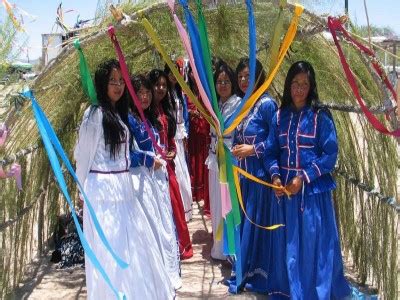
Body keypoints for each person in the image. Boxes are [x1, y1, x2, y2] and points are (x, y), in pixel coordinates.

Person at [74, 59, 174, 299]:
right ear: (102, 84)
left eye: (121, 81)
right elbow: (83, 157)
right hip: (103, 193)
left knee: (132, 248)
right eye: (112, 81)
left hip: (124, 189)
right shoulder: (94, 115)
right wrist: (81, 191)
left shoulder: (118, 114)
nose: (118, 86)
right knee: (111, 249)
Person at [265, 61, 351, 299]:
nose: (299, 89)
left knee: (314, 246)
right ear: (288, 85)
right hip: (285, 195)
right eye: (295, 83)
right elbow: (271, 151)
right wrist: (275, 177)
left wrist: (303, 177)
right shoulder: (279, 116)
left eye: (304, 84)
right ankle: (290, 290)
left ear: (311, 86)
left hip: (312, 195)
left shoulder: (320, 117)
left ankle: (314, 293)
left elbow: (330, 155)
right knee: (289, 245)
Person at [128, 74, 181, 289]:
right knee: (148, 229)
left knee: (162, 225)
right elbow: (124, 155)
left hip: (156, 180)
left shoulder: (148, 118)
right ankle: (152, 278)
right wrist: (148, 160)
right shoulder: (128, 120)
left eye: (147, 93)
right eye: (139, 93)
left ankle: (165, 272)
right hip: (140, 182)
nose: (144, 97)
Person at [229, 57, 278, 293]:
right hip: (244, 176)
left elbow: (276, 139)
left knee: (258, 223)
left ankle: (259, 273)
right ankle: (246, 268)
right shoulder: (245, 104)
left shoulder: (267, 104)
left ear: (259, 76)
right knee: (247, 223)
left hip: (260, 176)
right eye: (240, 76)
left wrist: (252, 149)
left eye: (248, 75)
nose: (243, 80)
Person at [149, 69, 193, 260]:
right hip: (152, 170)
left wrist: (173, 150)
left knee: (174, 204)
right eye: (157, 85)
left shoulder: (165, 110)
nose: (160, 88)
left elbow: (170, 139)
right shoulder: (145, 112)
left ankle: (179, 246)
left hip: (168, 168)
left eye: (163, 86)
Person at [206, 63, 241, 260]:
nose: (223, 85)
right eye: (219, 81)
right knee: (217, 203)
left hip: (229, 161)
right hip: (214, 160)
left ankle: (231, 251)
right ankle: (219, 248)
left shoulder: (238, 103)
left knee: (229, 204)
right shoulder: (215, 103)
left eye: (227, 81)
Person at [164, 62, 193, 222]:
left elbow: (185, 116)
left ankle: (185, 207)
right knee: (177, 173)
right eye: (171, 73)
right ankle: (179, 208)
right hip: (171, 137)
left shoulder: (179, 93)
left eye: (177, 73)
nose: (174, 77)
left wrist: (185, 134)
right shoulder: (164, 94)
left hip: (180, 137)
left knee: (183, 171)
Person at [186, 65, 211, 214]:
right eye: (191, 72)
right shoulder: (186, 92)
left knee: (203, 160)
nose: (193, 75)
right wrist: (190, 113)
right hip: (191, 132)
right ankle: (194, 193)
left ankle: (202, 193)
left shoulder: (204, 92)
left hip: (203, 131)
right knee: (193, 160)